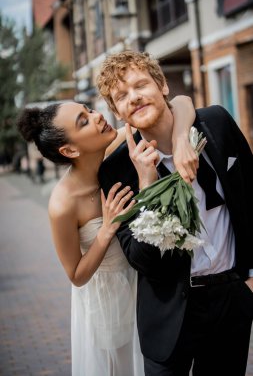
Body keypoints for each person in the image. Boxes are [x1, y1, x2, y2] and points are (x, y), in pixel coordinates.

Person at [97, 50, 253, 376]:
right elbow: (143, 260)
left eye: (140, 85)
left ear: (163, 85)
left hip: (232, 299)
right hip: (170, 316)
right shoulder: (116, 170)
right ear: (116, 111)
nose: (134, 97)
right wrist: (147, 185)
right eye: (121, 96)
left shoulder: (217, 123)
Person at [16, 96, 197, 376]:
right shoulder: (63, 203)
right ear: (70, 150)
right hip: (106, 307)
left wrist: (183, 137)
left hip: (144, 288)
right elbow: (76, 274)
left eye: (88, 110)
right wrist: (106, 230)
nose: (97, 116)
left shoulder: (117, 145)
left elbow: (181, 103)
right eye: (84, 121)